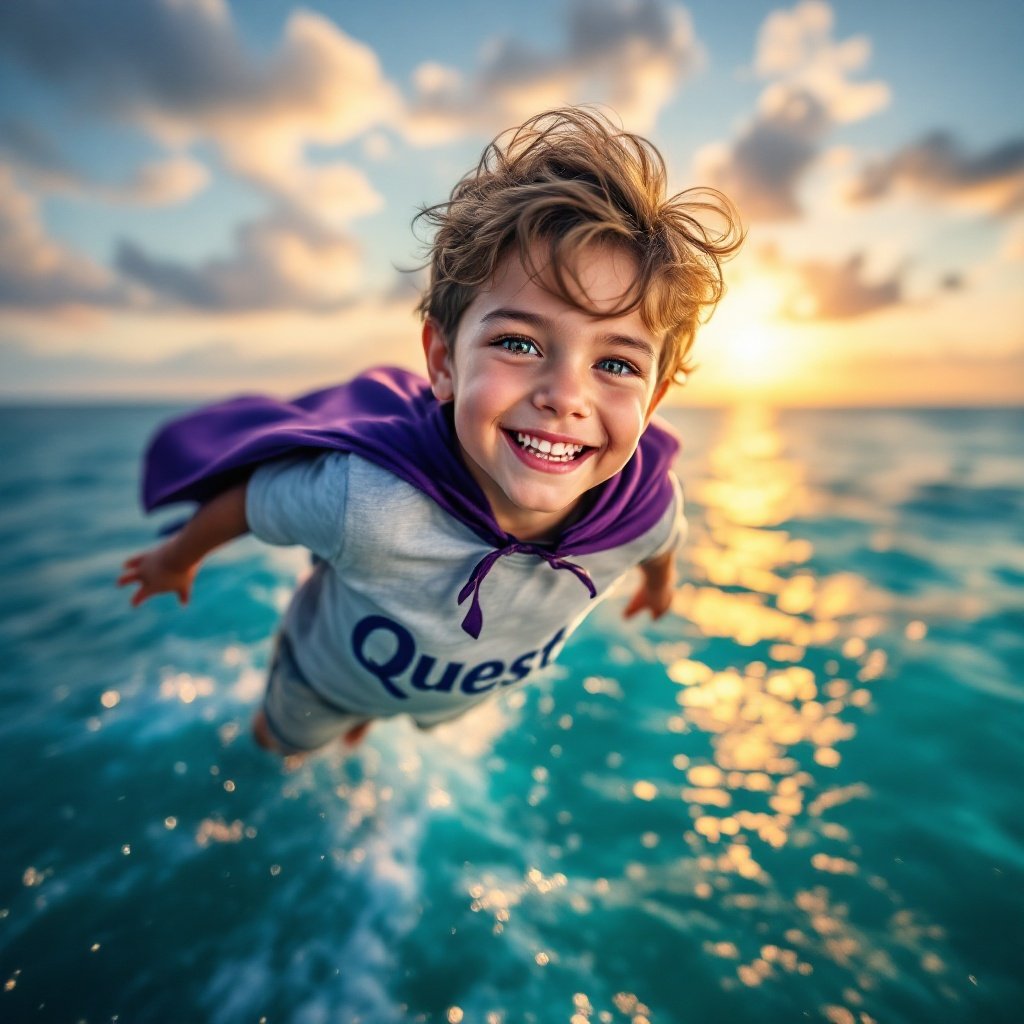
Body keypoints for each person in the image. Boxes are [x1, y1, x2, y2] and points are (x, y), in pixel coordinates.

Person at [118, 107, 742, 761]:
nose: (564, 396)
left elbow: (663, 541)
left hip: (449, 690)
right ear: (444, 362)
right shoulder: (366, 499)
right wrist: (176, 558)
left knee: (379, 719)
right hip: (322, 676)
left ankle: (369, 717)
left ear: (655, 400)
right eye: (520, 343)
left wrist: (659, 584)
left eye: (614, 363)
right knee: (279, 748)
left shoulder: (643, 511)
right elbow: (254, 498)